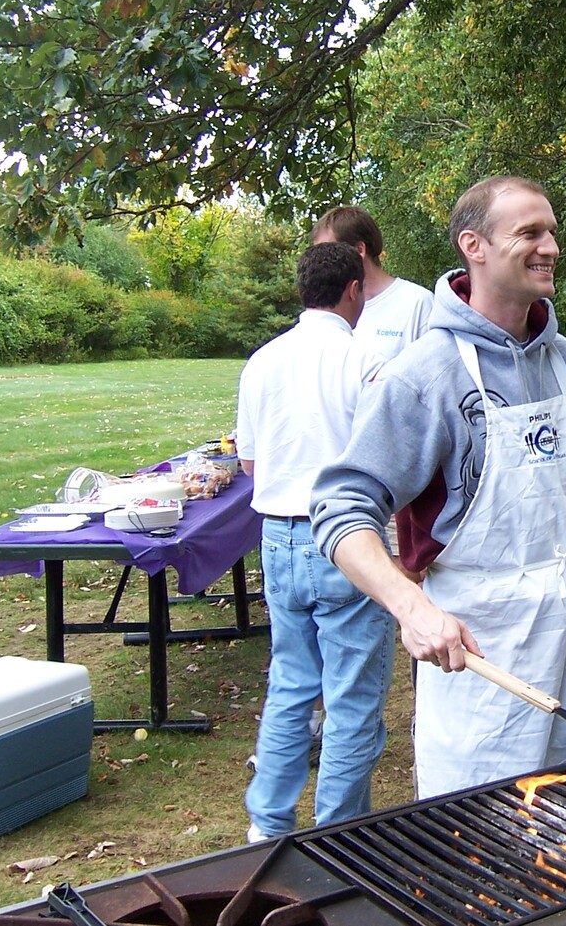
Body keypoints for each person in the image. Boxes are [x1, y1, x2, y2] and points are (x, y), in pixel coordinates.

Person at [310, 175, 566, 798]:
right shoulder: (425, 374)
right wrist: (410, 608)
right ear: (473, 246)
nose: (550, 246)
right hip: (484, 654)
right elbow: (341, 508)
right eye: (529, 232)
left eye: (552, 232)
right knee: (487, 833)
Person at [235, 243, 397, 842]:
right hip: (346, 537)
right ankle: (338, 834)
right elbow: (389, 461)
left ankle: (268, 824)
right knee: (351, 698)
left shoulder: (263, 361)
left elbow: (249, 462)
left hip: (278, 536)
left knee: (291, 684)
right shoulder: (366, 359)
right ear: (354, 290)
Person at [308, 204, 432, 759]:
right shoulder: (328, 309)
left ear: (357, 252)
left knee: (411, 601)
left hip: (399, 492)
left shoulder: (414, 305)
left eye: (325, 251)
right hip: (343, 494)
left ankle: (427, 710)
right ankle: (328, 725)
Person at [312, 204, 433, 361]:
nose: (320, 263)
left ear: (359, 250)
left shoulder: (418, 303)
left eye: (329, 252)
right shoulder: (326, 312)